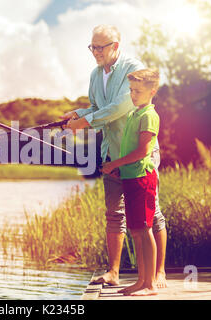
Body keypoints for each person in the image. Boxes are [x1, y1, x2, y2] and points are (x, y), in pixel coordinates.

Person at [60, 24, 167, 288]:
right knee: (114, 214)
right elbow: (98, 108)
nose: (94, 52)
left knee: (151, 215)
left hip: (138, 155)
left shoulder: (133, 68)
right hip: (112, 154)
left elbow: (120, 107)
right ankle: (113, 272)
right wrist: (78, 113)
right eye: (92, 47)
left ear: (115, 46)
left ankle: (159, 273)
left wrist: (85, 122)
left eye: (100, 47)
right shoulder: (96, 75)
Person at [101, 68, 160, 296]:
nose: (133, 95)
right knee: (136, 231)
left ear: (151, 91)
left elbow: (144, 151)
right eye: (131, 90)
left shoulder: (148, 115)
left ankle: (151, 284)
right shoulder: (135, 114)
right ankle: (141, 281)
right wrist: (121, 170)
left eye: (138, 91)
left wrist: (116, 164)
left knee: (145, 231)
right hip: (131, 177)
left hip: (143, 180)